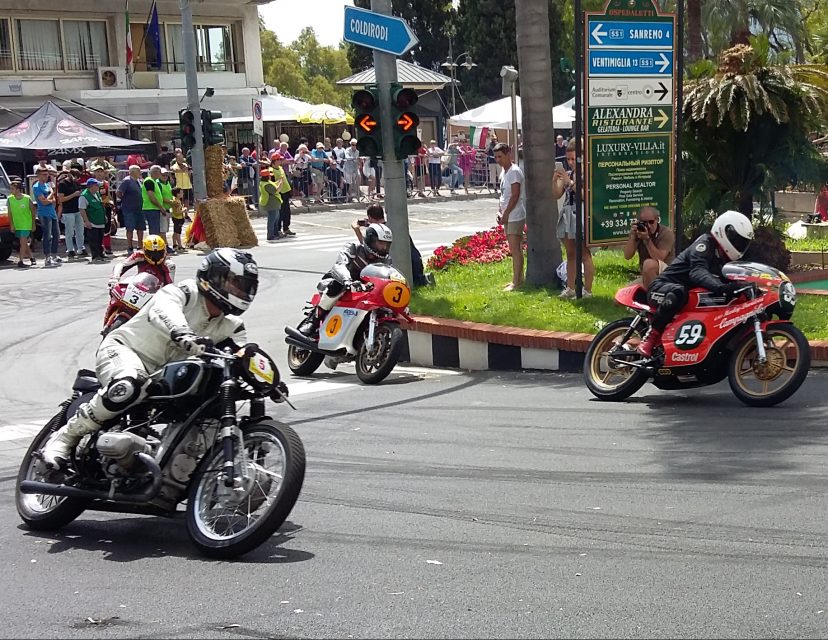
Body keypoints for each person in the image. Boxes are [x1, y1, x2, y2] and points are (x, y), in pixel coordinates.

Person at [41, 248, 259, 469]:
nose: (240, 291)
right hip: (126, 350)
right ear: (213, 276)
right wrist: (182, 333)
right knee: (131, 384)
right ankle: (64, 439)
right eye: (235, 283)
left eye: (244, 286)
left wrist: (267, 378)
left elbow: (242, 353)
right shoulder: (183, 292)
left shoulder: (232, 325)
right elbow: (165, 311)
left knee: (211, 402)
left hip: (163, 376)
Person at [637, 210, 756, 358]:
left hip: (686, 298)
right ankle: (651, 337)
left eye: (742, 243)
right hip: (661, 288)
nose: (739, 245)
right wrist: (721, 287)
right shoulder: (704, 244)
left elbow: (731, 278)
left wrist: (746, 286)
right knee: (678, 292)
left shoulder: (724, 259)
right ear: (724, 230)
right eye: (736, 240)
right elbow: (697, 272)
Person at [301, 223, 393, 337]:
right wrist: (347, 281)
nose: (384, 248)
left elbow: (387, 277)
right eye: (380, 244)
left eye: (386, 245)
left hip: (364, 287)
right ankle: (312, 321)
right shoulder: (353, 248)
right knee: (337, 286)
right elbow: (340, 265)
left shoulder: (386, 259)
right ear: (370, 240)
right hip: (340, 281)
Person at [553, 139, 595, 298]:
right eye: (568, 159)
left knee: (584, 253)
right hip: (568, 213)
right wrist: (555, 179)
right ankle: (570, 287)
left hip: (581, 214)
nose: (570, 162)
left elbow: (585, 194)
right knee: (570, 253)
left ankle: (588, 290)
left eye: (573, 159)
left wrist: (569, 182)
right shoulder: (570, 173)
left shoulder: (587, 173)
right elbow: (557, 194)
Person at [352, 205, 429, 287]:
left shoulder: (382, 233)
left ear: (370, 217)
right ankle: (422, 280)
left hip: (405, 270)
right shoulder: (393, 227)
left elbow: (369, 248)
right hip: (416, 264)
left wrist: (357, 230)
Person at [494, 143, 526, 291]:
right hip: (507, 214)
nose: (498, 160)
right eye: (496, 157)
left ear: (508, 155)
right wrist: (500, 212)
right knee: (514, 248)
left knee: (515, 249)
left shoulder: (514, 171)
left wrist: (506, 214)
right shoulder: (504, 172)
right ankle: (518, 278)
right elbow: (503, 195)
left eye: (500, 156)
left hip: (515, 215)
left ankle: (516, 282)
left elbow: (515, 195)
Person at [622, 206, 676, 288]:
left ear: (657, 220)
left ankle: (652, 297)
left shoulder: (666, 233)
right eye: (644, 223)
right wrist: (633, 237)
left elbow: (659, 257)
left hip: (666, 273)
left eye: (651, 222)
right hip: (646, 274)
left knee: (648, 264)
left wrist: (647, 240)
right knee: (623, 294)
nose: (648, 226)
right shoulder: (638, 232)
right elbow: (627, 255)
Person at [108, 234, 175, 290]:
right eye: (151, 253)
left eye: (159, 253)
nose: (155, 256)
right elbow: (121, 265)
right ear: (144, 250)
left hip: (158, 294)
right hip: (139, 288)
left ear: (164, 250)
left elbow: (170, 285)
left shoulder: (168, 264)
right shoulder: (139, 255)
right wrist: (114, 278)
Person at [32, 167, 61, 267]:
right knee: (47, 236)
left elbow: (53, 200)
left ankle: (54, 255)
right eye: (44, 174)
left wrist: (50, 199)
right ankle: (47, 257)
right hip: (44, 213)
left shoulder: (47, 185)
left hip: (52, 212)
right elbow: (43, 201)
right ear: (38, 175)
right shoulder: (37, 187)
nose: (46, 176)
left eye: (47, 174)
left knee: (57, 234)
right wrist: (51, 195)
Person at [57, 169, 84, 261]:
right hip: (68, 211)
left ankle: (81, 248)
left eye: (77, 177)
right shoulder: (62, 184)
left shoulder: (76, 183)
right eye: (74, 176)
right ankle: (70, 249)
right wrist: (74, 195)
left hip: (77, 210)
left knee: (80, 230)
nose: (76, 179)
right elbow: (61, 199)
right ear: (69, 175)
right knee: (69, 231)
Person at [117, 165, 145, 254]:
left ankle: (140, 245)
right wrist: (125, 200)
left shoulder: (139, 181)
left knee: (140, 228)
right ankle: (130, 246)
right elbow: (119, 192)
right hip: (129, 209)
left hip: (139, 208)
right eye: (138, 171)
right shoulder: (127, 181)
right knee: (130, 228)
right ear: (133, 172)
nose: (140, 172)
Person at [8, 180, 36, 268]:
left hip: (26, 224)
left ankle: (21, 260)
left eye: (12, 189)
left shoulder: (27, 198)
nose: (11, 190)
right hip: (17, 224)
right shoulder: (10, 199)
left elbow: (33, 212)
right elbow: (10, 213)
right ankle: (32, 257)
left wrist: (33, 224)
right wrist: (11, 224)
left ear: (18, 189)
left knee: (22, 242)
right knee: (23, 242)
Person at [79, 178, 107, 263]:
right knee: (93, 239)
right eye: (96, 185)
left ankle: (100, 253)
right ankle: (95, 256)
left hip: (100, 221)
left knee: (99, 238)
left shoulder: (97, 194)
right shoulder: (84, 196)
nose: (98, 186)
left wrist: (104, 216)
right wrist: (86, 221)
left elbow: (101, 205)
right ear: (91, 186)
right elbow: (82, 209)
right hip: (92, 221)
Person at [259, 169, 283, 241]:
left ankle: (275, 234)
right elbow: (276, 190)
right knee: (272, 220)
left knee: (275, 219)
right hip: (271, 204)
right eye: (269, 176)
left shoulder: (265, 182)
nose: (270, 177)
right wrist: (281, 183)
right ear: (267, 177)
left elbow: (274, 184)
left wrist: (278, 181)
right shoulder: (267, 185)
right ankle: (270, 235)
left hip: (274, 203)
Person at [141, 165, 165, 236]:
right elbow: (151, 196)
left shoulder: (154, 181)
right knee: (154, 230)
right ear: (156, 173)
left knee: (156, 229)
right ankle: (153, 246)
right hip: (151, 208)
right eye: (160, 172)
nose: (161, 174)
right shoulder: (149, 181)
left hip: (154, 208)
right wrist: (161, 207)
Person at [158, 169, 176, 255]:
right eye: (163, 175)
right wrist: (171, 202)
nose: (165, 176)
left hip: (168, 209)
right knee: (163, 230)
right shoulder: (158, 184)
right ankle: (165, 246)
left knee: (165, 228)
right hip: (162, 209)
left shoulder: (167, 183)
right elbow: (160, 197)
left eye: (166, 175)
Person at [170, 187, 187, 252]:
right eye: (181, 193)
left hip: (177, 218)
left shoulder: (176, 200)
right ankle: (179, 245)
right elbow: (177, 213)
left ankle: (174, 244)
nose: (183, 194)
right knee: (178, 233)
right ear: (177, 194)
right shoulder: (177, 202)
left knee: (175, 232)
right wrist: (183, 210)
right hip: (178, 218)